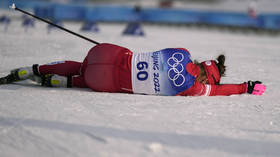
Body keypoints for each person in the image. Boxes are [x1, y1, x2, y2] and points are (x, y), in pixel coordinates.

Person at [0, 43, 266, 96]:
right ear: (210, 77)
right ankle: (59, 83)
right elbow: (217, 91)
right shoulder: (192, 88)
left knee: (81, 64)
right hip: (101, 81)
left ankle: (35, 68)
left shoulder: (181, 51)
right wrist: (246, 87)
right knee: (88, 79)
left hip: (108, 52)